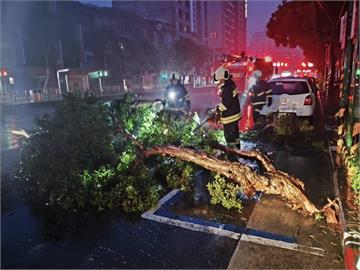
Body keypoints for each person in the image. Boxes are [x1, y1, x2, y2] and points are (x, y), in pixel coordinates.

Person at [213, 65, 241, 149]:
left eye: (219, 80)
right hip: (234, 114)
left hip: (230, 117)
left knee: (230, 137)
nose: (218, 83)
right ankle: (238, 151)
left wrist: (216, 109)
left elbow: (225, 104)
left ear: (222, 78)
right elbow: (228, 101)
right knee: (235, 136)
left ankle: (233, 153)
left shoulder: (226, 88)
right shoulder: (230, 84)